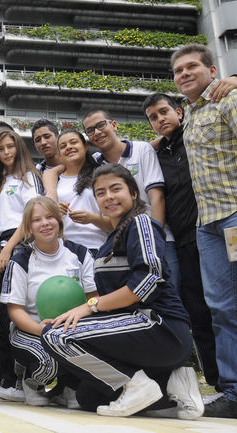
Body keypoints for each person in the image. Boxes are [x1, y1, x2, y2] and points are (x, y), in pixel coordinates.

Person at [40, 164, 203, 420]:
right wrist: (76, 317)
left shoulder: (141, 223)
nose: (108, 197)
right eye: (101, 193)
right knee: (88, 397)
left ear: (134, 194)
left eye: (116, 189)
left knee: (57, 337)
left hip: (160, 326)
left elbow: (148, 280)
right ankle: (171, 383)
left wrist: (89, 307)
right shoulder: (111, 239)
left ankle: (138, 385)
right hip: (134, 329)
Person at [171, 43, 237, 418]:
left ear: (212, 71)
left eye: (191, 66)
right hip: (207, 226)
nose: (183, 74)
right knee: (221, 309)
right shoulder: (190, 116)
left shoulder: (229, 100)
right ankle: (232, 391)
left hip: (234, 215)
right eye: (178, 70)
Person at [142, 93, 219, 391]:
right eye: (153, 117)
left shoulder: (196, 136)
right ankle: (218, 382)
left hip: (213, 228)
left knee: (225, 307)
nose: (160, 119)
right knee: (198, 311)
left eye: (164, 112)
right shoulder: (155, 153)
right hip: (185, 241)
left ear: (178, 111)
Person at [1, 196, 97, 407]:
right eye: (37, 220)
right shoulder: (21, 260)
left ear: (59, 221)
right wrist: (39, 329)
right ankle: (31, 381)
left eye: (50, 217)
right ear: (28, 227)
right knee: (48, 362)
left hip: (74, 329)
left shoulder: (80, 253)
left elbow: (93, 299)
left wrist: (78, 317)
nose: (45, 223)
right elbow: (15, 310)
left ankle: (64, 388)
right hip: (31, 330)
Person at [81, 109, 180, 290]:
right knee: (139, 297)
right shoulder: (96, 163)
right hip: (124, 245)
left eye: (101, 125)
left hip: (159, 239)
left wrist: (154, 240)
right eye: (90, 130)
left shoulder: (142, 149)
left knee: (169, 293)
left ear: (114, 125)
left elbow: (156, 196)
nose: (96, 132)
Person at [0, 130, 44, 401]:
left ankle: (19, 379)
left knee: (13, 310)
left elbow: (30, 217)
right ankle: (4, 376)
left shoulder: (29, 177)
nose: (6, 152)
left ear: (19, 148)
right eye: (1, 149)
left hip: (17, 244)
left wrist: (8, 248)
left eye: (10, 147)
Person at [42, 130, 111, 254]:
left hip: (95, 248)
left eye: (73, 142)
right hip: (62, 249)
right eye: (63, 146)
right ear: (59, 154)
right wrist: (55, 210)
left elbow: (115, 224)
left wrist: (92, 218)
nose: (68, 147)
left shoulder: (101, 175)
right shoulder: (55, 180)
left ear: (85, 146)